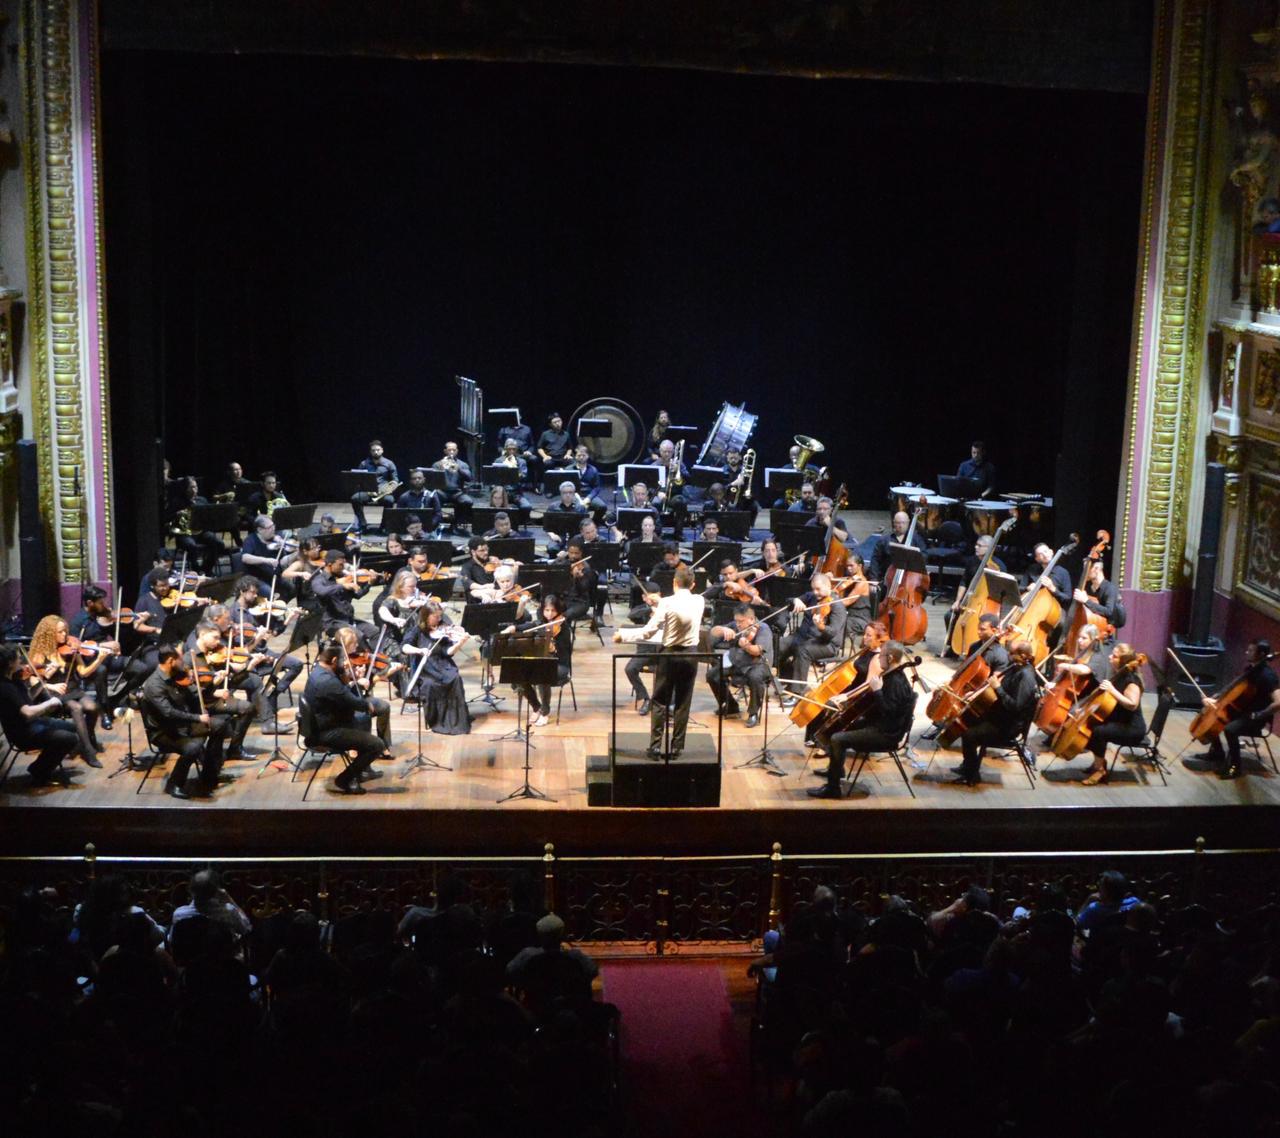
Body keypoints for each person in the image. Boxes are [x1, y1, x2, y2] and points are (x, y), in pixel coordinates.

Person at [614, 564, 704, 757]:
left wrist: (623, 636)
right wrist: (660, 600)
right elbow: (682, 603)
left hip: (669, 655)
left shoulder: (667, 604)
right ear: (693, 584)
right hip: (690, 656)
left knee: (660, 701)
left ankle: (655, 746)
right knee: (683, 702)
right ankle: (677, 747)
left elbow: (648, 632)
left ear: (674, 583)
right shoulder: (699, 600)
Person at [809, 639, 917, 799]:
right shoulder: (893, 676)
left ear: (890, 658)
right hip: (880, 725)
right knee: (839, 727)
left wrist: (877, 691)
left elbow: (889, 712)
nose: (878, 659)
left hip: (885, 734)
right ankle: (836, 771)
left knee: (837, 739)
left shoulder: (895, 682)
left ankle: (833, 788)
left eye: (881, 656)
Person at [140, 646, 231, 799]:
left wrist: (209, 684)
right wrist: (197, 718)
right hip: (164, 732)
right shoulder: (154, 685)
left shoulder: (177, 676)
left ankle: (209, 774)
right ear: (170, 661)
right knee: (193, 747)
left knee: (220, 725)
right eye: (180, 660)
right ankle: (174, 784)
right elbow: (168, 713)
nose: (183, 663)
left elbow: (197, 695)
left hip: (183, 725)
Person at [302, 644, 390, 794]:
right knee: (376, 745)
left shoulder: (317, 672)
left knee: (363, 721)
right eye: (342, 660)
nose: (344, 663)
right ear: (334, 660)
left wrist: (348, 678)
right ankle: (344, 779)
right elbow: (354, 702)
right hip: (327, 732)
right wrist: (367, 704)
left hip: (321, 724)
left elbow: (341, 695)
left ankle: (362, 769)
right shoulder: (328, 682)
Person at [954, 638, 1039, 786]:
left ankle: (971, 775)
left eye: (1011, 653)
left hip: (1008, 726)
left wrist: (998, 687)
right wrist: (977, 693)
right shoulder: (1016, 667)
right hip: (1000, 716)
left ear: (1023, 656)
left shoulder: (1026, 677)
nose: (1008, 655)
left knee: (969, 734)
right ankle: (968, 766)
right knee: (966, 720)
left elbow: (1015, 707)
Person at [1192, 639, 1280, 779]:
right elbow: (1234, 688)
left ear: (1262, 654)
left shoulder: (1268, 676)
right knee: (1212, 715)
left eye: (1251, 650)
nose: (1246, 652)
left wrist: (1259, 715)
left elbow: (1278, 702)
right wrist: (1217, 697)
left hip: (1254, 718)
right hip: (1241, 711)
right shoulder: (1251, 669)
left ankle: (1235, 766)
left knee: (1230, 729)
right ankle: (1217, 753)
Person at [0, 644, 87, 785]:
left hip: (33, 723)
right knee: (69, 738)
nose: (21, 661)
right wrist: (49, 703)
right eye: (18, 658)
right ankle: (39, 771)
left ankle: (47, 762)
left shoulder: (15, 679)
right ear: (10, 663)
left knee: (72, 727)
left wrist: (41, 680)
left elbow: (28, 699)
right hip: (22, 733)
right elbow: (27, 712)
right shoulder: (5, 687)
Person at [27, 615, 108, 764]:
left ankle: (88, 737)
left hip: (73, 688)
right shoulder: (40, 653)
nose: (64, 635)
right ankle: (88, 750)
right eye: (60, 632)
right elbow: (33, 680)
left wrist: (99, 659)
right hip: (55, 693)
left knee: (92, 707)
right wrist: (51, 685)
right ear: (49, 634)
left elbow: (83, 673)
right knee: (76, 708)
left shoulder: (72, 648)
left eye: (65, 631)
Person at [1076, 642, 1147, 786]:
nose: (1109, 657)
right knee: (1090, 725)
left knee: (1097, 731)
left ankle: (1100, 770)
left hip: (1132, 728)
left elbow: (1132, 704)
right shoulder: (1119, 674)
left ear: (1123, 661)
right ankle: (1099, 763)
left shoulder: (1132, 681)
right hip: (1121, 720)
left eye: (1114, 656)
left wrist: (1112, 690)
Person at [401, 602, 473, 735]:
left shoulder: (443, 631)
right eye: (435, 616)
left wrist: (460, 643)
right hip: (425, 668)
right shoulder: (417, 631)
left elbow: (448, 652)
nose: (439, 619)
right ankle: (436, 720)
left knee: (455, 678)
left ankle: (457, 720)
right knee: (430, 684)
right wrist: (419, 650)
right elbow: (404, 647)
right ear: (426, 616)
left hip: (443, 664)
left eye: (440, 616)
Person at [777, 573, 847, 697]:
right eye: (813, 589)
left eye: (818, 589)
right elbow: (788, 601)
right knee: (779, 645)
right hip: (803, 636)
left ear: (828, 586)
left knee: (803, 650)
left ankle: (797, 693)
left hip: (826, 643)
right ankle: (789, 680)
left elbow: (833, 632)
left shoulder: (837, 606)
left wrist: (821, 627)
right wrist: (796, 600)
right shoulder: (811, 597)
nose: (815, 592)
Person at [707, 603, 773, 728]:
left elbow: (757, 651)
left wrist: (746, 646)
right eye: (736, 621)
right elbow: (713, 632)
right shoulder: (735, 625)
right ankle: (731, 706)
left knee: (755, 677)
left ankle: (753, 713)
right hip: (738, 662)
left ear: (751, 619)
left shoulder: (763, 628)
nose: (738, 624)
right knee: (712, 675)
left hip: (757, 664)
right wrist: (723, 629)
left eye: (741, 621)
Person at [512, 594, 572, 727]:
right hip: (542, 662)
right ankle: (536, 707)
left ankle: (545, 712)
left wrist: (553, 648)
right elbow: (528, 625)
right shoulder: (541, 623)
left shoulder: (564, 629)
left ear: (558, 611)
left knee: (541, 673)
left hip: (560, 665)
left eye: (553, 611)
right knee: (517, 673)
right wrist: (514, 628)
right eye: (547, 610)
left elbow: (564, 655)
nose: (550, 614)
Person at [168, 868, 252, 950]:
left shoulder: (179, 914)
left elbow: (172, 941)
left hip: (188, 958)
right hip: (220, 958)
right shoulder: (228, 912)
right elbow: (246, 928)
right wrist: (229, 899)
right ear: (216, 892)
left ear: (190, 890)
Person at [310, 550, 379, 641]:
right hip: (332, 622)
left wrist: (369, 584)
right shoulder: (319, 580)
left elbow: (358, 595)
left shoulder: (342, 578)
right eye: (340, 565)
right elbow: (322, 591)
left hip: (348, 619)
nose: (343, 568)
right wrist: (342, 586)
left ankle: (372, 651)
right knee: (358, 636)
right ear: (330, 565)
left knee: (375, 631)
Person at [167, 476, 226, 575]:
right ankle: (196, 571)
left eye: (196, 487)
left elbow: (210, 517)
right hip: (184, 534)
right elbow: (166, 517)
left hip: (201, 532)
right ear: (185, 489)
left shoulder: (202, 500)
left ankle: (206, 568)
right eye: (192, 487)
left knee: (219, 543)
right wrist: (177, 514)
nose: (195, 489)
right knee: (191, 545)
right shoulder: (177, 502)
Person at [239, 513, 298, 599]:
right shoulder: (251, 540)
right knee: (269, 593)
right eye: (269, 527)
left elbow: (282, 562)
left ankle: (279, 605)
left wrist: (296, 553)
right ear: (260, 530)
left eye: (273, 525)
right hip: (256, 579)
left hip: (273, 576)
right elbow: (245, 557)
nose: (273, 529)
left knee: (292, 589)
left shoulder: (276, 539)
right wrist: (267, 560)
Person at [624, 580, 661, 713]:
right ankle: (645, 698)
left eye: (656, 596)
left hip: (663, 652)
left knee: (672, 670)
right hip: (644, 652)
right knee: (630, 669)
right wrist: (649, 609)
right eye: (649, 596)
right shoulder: (642, 609)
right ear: (644, 597)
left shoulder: (666, 609)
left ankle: (667, 702)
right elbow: (631, 615)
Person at [349, 439, 399, 533]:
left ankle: (383, 526)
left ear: (382, 450)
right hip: (368, 492)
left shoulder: (389, 463)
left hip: (382, 492)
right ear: (370, 452)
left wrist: (389, 489)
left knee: (390, 500)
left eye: (378, 450)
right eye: (373, 450)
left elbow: (395, 480)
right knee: (355, 498)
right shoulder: (364, 464)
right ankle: (363, 524)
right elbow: (358, 480)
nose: (376, 452)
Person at [870, 511, 929, 582]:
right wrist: (874, 579)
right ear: (894, 523)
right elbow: (875, 560)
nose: (901, 525)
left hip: (910, 580)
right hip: (887, 580)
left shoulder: (917, 540)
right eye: (898, 523)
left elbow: (924, 557)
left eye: (903, 523)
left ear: (908, 523)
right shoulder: (884, 540)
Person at [1074, 559, 1121, 636]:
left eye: (1087, 569)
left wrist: (1086, 601)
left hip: (1103, 635)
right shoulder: (1088, 589)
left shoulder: (1110, 588)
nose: (1084, 573)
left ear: (1097, 569)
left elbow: (1108, 611)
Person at [396, 467, 444, 532]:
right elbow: (399, 515)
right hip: (410, 530)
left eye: (419, 478)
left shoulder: (431, 495)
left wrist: (430, 525)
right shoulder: (403, 497)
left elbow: (438, 514)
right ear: (410, 481)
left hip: (428, 530)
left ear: (424, 480)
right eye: (414, 478)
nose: (417, 480)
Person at [433, 441, 474, 508]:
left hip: (457, 493)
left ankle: (459, 515)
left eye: (454, 450)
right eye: (449, 450)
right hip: (442, 492)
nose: (452, 452)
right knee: (433, 497)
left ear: (457, 451)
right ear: (445, 451)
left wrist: (458, 469)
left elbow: (469, 478)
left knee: (468, 501)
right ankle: (438, 515)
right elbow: (432, 482)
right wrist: (440, 469)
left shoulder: (463, 464)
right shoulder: (437, 464)